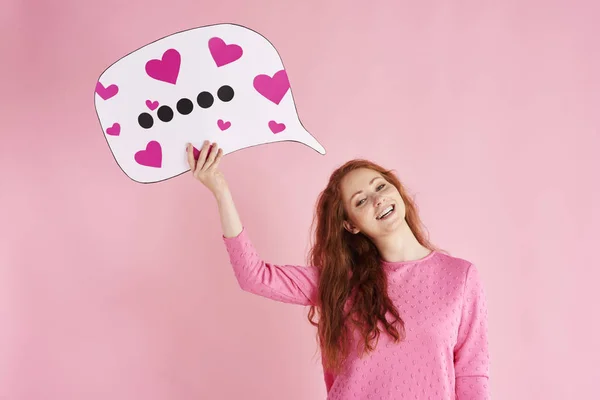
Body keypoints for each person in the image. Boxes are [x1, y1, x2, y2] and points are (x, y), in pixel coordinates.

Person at [187, 140, 491, 400]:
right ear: (351, 225)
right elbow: (254, 276)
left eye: (380, 186)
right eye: (361, 201)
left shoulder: (460, 277)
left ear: (397, 190)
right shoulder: (340, 282)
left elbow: (471, 375)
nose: (378, 199)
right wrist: (220, 190)